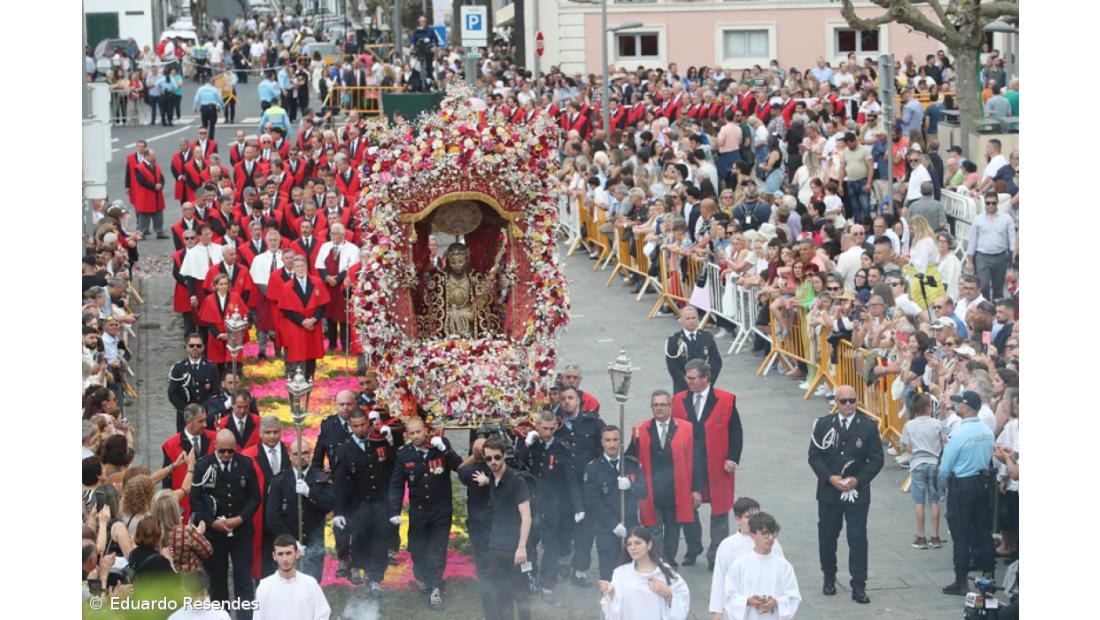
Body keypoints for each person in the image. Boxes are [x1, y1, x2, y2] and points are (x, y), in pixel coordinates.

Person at [808, 384, 884, 604]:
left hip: (856, 492)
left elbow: (876, 459)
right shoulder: (823, 424)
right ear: (836, 402)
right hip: (830, 493)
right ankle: (829, 576)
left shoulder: (868, 426)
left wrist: (858, 480)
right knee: (827, 536)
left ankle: (858, 585)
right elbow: (814, 456)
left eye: (852, 401)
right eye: (844, 401)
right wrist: (830, 478)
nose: (849, 405)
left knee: (857, 539)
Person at [671, 359, 743, 569]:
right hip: (689, 465)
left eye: (692, 378)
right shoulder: (678, 400)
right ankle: (693, 547)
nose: (688, 381)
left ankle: (717, 555)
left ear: (705, 378)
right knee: (688, 508)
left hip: (717, 465)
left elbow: (736, 431)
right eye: (687, 377)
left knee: (719, 511)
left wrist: (732, 458)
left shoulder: (726, 399)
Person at [388, 417, 462, 609]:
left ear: (426, 430)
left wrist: (445, 450)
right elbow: (396, 484)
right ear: (407, 434)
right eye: (411, 433)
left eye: (418, 431)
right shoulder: (404, 454)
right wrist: (394, 511)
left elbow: (458, 466)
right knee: (417, 548)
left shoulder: (439, 446)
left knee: (438, 548)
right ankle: (421, 576)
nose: (416, 436)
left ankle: (435, 587)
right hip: (419, 511)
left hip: (440, 510)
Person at [626, 390, 703, 568]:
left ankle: (668, 560)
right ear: (651, 407)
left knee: (673, 531)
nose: (659, 408)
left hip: (676, 491)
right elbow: (630, 457)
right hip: (651, 492)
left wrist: (696, 489)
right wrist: (631, 482)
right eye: (656, 405)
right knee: (653, 530)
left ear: (670, 406)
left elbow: (696, 461)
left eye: (663, 404)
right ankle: (660, 563)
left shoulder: (686, 428)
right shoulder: (640, 430)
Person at [190, 429, 261, 620]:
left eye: (230, 451)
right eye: (222, 451)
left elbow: (255, 497)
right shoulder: (203, 465)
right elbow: (195, 500)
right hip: (214, 534)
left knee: (243, 580)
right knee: (217, 580)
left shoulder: (245, 464)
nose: (226, 455)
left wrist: (240, 518)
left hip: (241, 532)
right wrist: (212, 523)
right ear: (215, 446)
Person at [516, 410, 584, 602]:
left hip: (552, 503)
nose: (548, 433)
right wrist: (527, 443)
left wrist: (578, 506)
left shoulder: (562, 447)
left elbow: (570, 480)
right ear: (537, 427)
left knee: (551, 546)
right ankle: (529, 577)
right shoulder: (528, 443)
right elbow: (517, 463)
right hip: (530, 501)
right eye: (544, 428)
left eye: (551, 429)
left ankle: (548, 585)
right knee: (529, 543)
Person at [940, 390, 997, 595]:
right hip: (982, 484)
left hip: (961, 487)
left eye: (958, 404)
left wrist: (945, 485)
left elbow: (945, 467)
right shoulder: (987, 432)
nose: (956, 407)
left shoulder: (958, 433)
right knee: (983, 532)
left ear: (965, 407)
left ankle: (961, 581)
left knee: (961, 535)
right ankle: (989, 575)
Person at [332, 407, 393, 594]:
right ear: (350, 427)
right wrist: (339, 512)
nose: (360, 429)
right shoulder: (344, 450)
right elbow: (340, 484)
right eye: (356, 426)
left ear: (368, 423)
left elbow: (392, 466)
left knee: (380, 541)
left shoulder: (379, 442)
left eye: (363, 424)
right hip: (357, 505)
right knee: (359, 538)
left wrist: (392, 441)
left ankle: (375, 577)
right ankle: (358, 566)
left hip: (380, 502)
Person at [476, 437, 533, 620]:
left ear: (504, 456)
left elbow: (527, 517)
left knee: (521, 595)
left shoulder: (517, 481)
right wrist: (486, 480)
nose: (493, 462)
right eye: (488, 458)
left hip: (516, 549)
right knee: (501, 594)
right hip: (497, 546)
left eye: (497, 457)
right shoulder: (493, 478)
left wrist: (521, 547)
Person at [582, 425, 647, 582]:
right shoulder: (593, 468)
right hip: (606, 528)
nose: (612, 444)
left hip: (631, 525)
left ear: (621, 441)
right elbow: (592, 502)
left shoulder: (631, 464)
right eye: (608, 440)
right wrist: (614, 525)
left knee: (633, 571)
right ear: (602, 442)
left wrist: (630, 485)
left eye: (615, 440)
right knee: (609, 573)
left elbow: (644, 492)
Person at [265, 440, 334, 582]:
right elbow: (272, 517)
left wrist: (309, 493)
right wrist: (291, 541)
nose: (301, 457)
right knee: (287, 584)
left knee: (312, 584)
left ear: (311, 454)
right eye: (297, 454)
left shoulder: (321, 476)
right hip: (287, 545)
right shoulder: (279, 481)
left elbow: (330, 504)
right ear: (290, 455)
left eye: (305, 453)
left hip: (314, 542)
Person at [708, 497, 786, 619]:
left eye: (757, 516)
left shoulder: (771, 543)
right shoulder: (727, 546)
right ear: (737, 519)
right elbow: (719, 579)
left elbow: (784, 575)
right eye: (749, 517)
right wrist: (717, 611)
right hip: (738, 609)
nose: (755, 521)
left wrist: (787, 606)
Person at [598, 527, 690, 620]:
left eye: (638, 543)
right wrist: (611, 593)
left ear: (649, 545)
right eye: (629, 544)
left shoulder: (665, 572)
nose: (633, 548)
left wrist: (668, 594)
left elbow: (682, 603)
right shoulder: (620, 573)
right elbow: (614, 609)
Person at [721, 512, 801, 620]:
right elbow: (728, 596)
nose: (771, 538)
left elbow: (793, 597)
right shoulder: (739, 565)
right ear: (753, 535)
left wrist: (776, 602)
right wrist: (747, 601)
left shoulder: (784, 566)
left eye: (773, 533)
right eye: (765, 533)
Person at [241, 416, 291, 578]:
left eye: (275, 432)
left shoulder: (291, 452)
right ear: (260, 433)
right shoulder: (247, 456)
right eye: (268, 432)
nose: (272, 436)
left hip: (284, 517)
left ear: (281, 432)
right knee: (262, 566)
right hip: (259, 518)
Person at [900, 393, 946, 550]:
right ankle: (935, 536)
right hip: (934, 463)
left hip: (917, 464)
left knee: (919, 502)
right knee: (934, 501)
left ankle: (921, 536)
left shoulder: (909, 425)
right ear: (929, 408)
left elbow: (906, 445)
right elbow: (943, 442)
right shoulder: (936, 424)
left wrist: (915, 450)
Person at [253, 534, 332, 620]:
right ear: (274, 556)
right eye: (280, 554)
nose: (285, 559)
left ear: (297, 553)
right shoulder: (264, 587)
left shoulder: (311, 584)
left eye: (288, 553)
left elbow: (322, 615)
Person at [278, 255, 331, 380]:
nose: (300, 268)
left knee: (311, 353)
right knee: (297, 353)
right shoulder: (287, 286)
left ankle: (310, 378)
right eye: (297, 266)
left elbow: (322, 304)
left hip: (313, 325)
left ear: (306, 266)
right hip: (297, 326)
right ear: (293, 268)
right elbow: (286, 309)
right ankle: (297, 380)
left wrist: (313, 319)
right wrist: (302, 321)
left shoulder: (317, 282)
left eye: (302, 266)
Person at [161, 404, 210, 519]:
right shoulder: (171, 445)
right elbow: (167, 481)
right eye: (201, 421)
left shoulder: (214, 439)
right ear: (188, 422)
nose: (205, 424)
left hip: (208, 505)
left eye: (205, 420)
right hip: (184, 505)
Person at [967, 191, 1016, 301]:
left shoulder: (1006, 219)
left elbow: (1012, 241)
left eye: (993, 203)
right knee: (983, 285)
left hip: (1000, 256)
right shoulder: (978, 219)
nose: (991, 205)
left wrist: (1013, 261)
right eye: (988, 203)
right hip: (982, 257)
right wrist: (970, 262)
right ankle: (985, 307)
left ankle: (997, 308)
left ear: (997, 203)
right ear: (984, 203)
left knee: (998, 288)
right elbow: (972, 241)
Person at [664, 306, 723, 395]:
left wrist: (707, 381)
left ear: (697, 319)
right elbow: (673, 367)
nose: (691, 321)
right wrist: (688, 382)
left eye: (693, 318)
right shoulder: (674, 340)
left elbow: (716, 361)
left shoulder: (706, 337)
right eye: (687, 318)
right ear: (681, 320)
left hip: (704, 387)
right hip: (682, 388)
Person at [168, 334, 220, 432]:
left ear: (203, 348)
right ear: (186, 347)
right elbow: (172, 394)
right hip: (185, 417)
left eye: (198, 346)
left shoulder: (211, 367)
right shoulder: (178, 368)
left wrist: (202, 409)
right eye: (192, 346)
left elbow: (216, 391)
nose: (195, 348)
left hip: (206, 416)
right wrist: (187, 410)